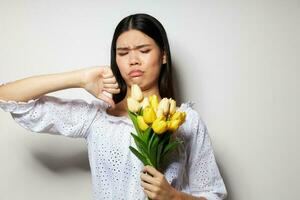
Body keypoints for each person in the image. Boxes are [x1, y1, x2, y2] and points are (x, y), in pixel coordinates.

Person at [0, 13, 227, 200]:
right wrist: (79, 78)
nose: (133, 60)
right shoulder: (97, 118)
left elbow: (213, 195)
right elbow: (7, 97)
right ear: (115, 60)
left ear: (164, 55)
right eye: (123, 53)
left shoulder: (186, 120)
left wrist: (173, 197)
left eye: (144, 50)